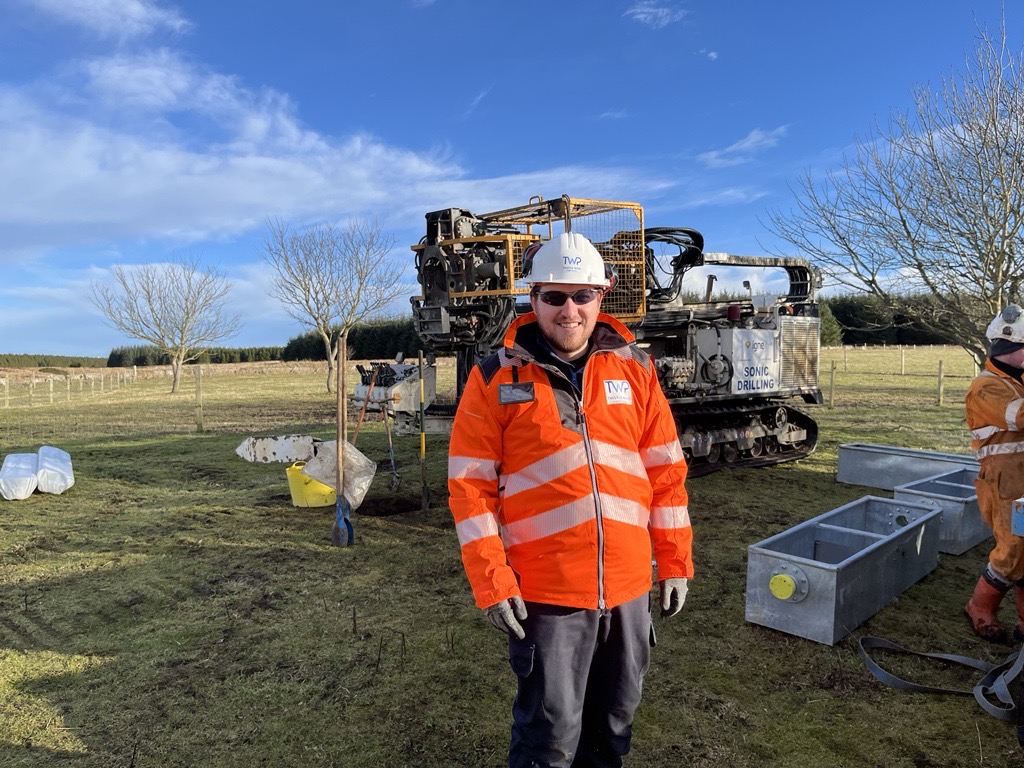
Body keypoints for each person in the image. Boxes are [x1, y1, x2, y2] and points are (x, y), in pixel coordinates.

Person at [447, 231, 694, 767]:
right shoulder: (494, 378)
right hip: (548, 595)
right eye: (554, 297)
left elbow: (666, 474)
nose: (569, 310)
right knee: (551, 738)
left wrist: (673, 561)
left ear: (601, 297)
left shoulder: (637, 370)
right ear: (532, 300)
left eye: (581, 296)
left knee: (613, 728)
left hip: (628, 589)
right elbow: (470, 490)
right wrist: (492, 582)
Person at [964, 304, 1024, 643]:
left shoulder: (1016, 381)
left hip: (1022, 479)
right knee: (1013, 548)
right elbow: (1020, 418)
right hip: (1004, 483)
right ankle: (979, 608)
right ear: (1014, 347)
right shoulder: (986, 387)